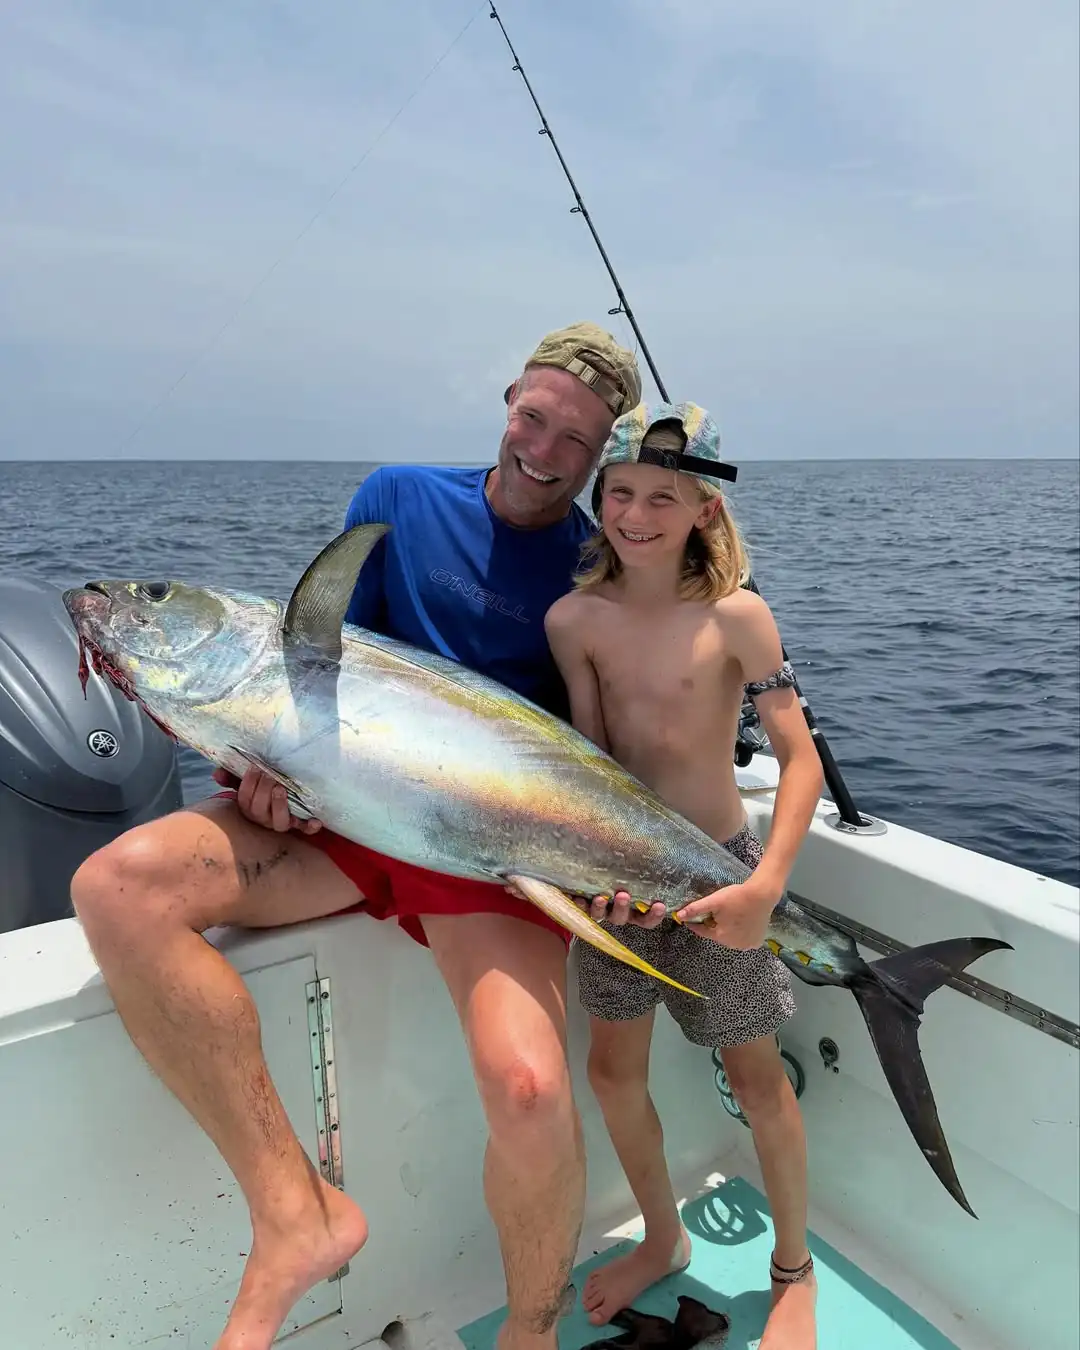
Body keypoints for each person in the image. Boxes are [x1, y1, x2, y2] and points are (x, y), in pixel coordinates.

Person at [68, 322, 643, 1350]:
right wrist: (257, 777)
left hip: (479, 848)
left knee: (529, 1084)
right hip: (340, 825)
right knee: (121, 888)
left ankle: (530, 1327)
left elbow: (599, 745)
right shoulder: (397, 499)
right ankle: (298, 1215)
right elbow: (314, 674)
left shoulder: (600, 565)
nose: (544, 452)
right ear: (509, 400)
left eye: (578, 443)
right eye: (534, 419)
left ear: (603, 456)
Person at [542, 401, 824, 1349]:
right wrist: (585, 873)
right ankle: (662, 1240)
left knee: (757, 1080)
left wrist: (762, 891)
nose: (636, 513)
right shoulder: (572, 619)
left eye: (664, 496)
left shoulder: (738, 616)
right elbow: (588, 764)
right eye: (619, 492)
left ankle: (794, 1270)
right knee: (613, 1071)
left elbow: (800, 760)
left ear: (704, 507)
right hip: (616, 880)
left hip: (721, 873)